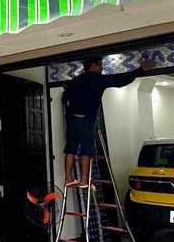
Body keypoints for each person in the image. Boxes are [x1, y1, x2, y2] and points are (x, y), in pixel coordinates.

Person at [63, 56, 156, 187]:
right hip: (85, 121)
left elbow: (66, 96)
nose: (102, 68)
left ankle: (68, 178)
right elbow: (120, 80)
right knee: (86, 151)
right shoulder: (97, 79)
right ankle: (84, 180)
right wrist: (141, 69)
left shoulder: (75, 81)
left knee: (70, 149)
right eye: (100, 64)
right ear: (93, 66)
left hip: (71, 120)